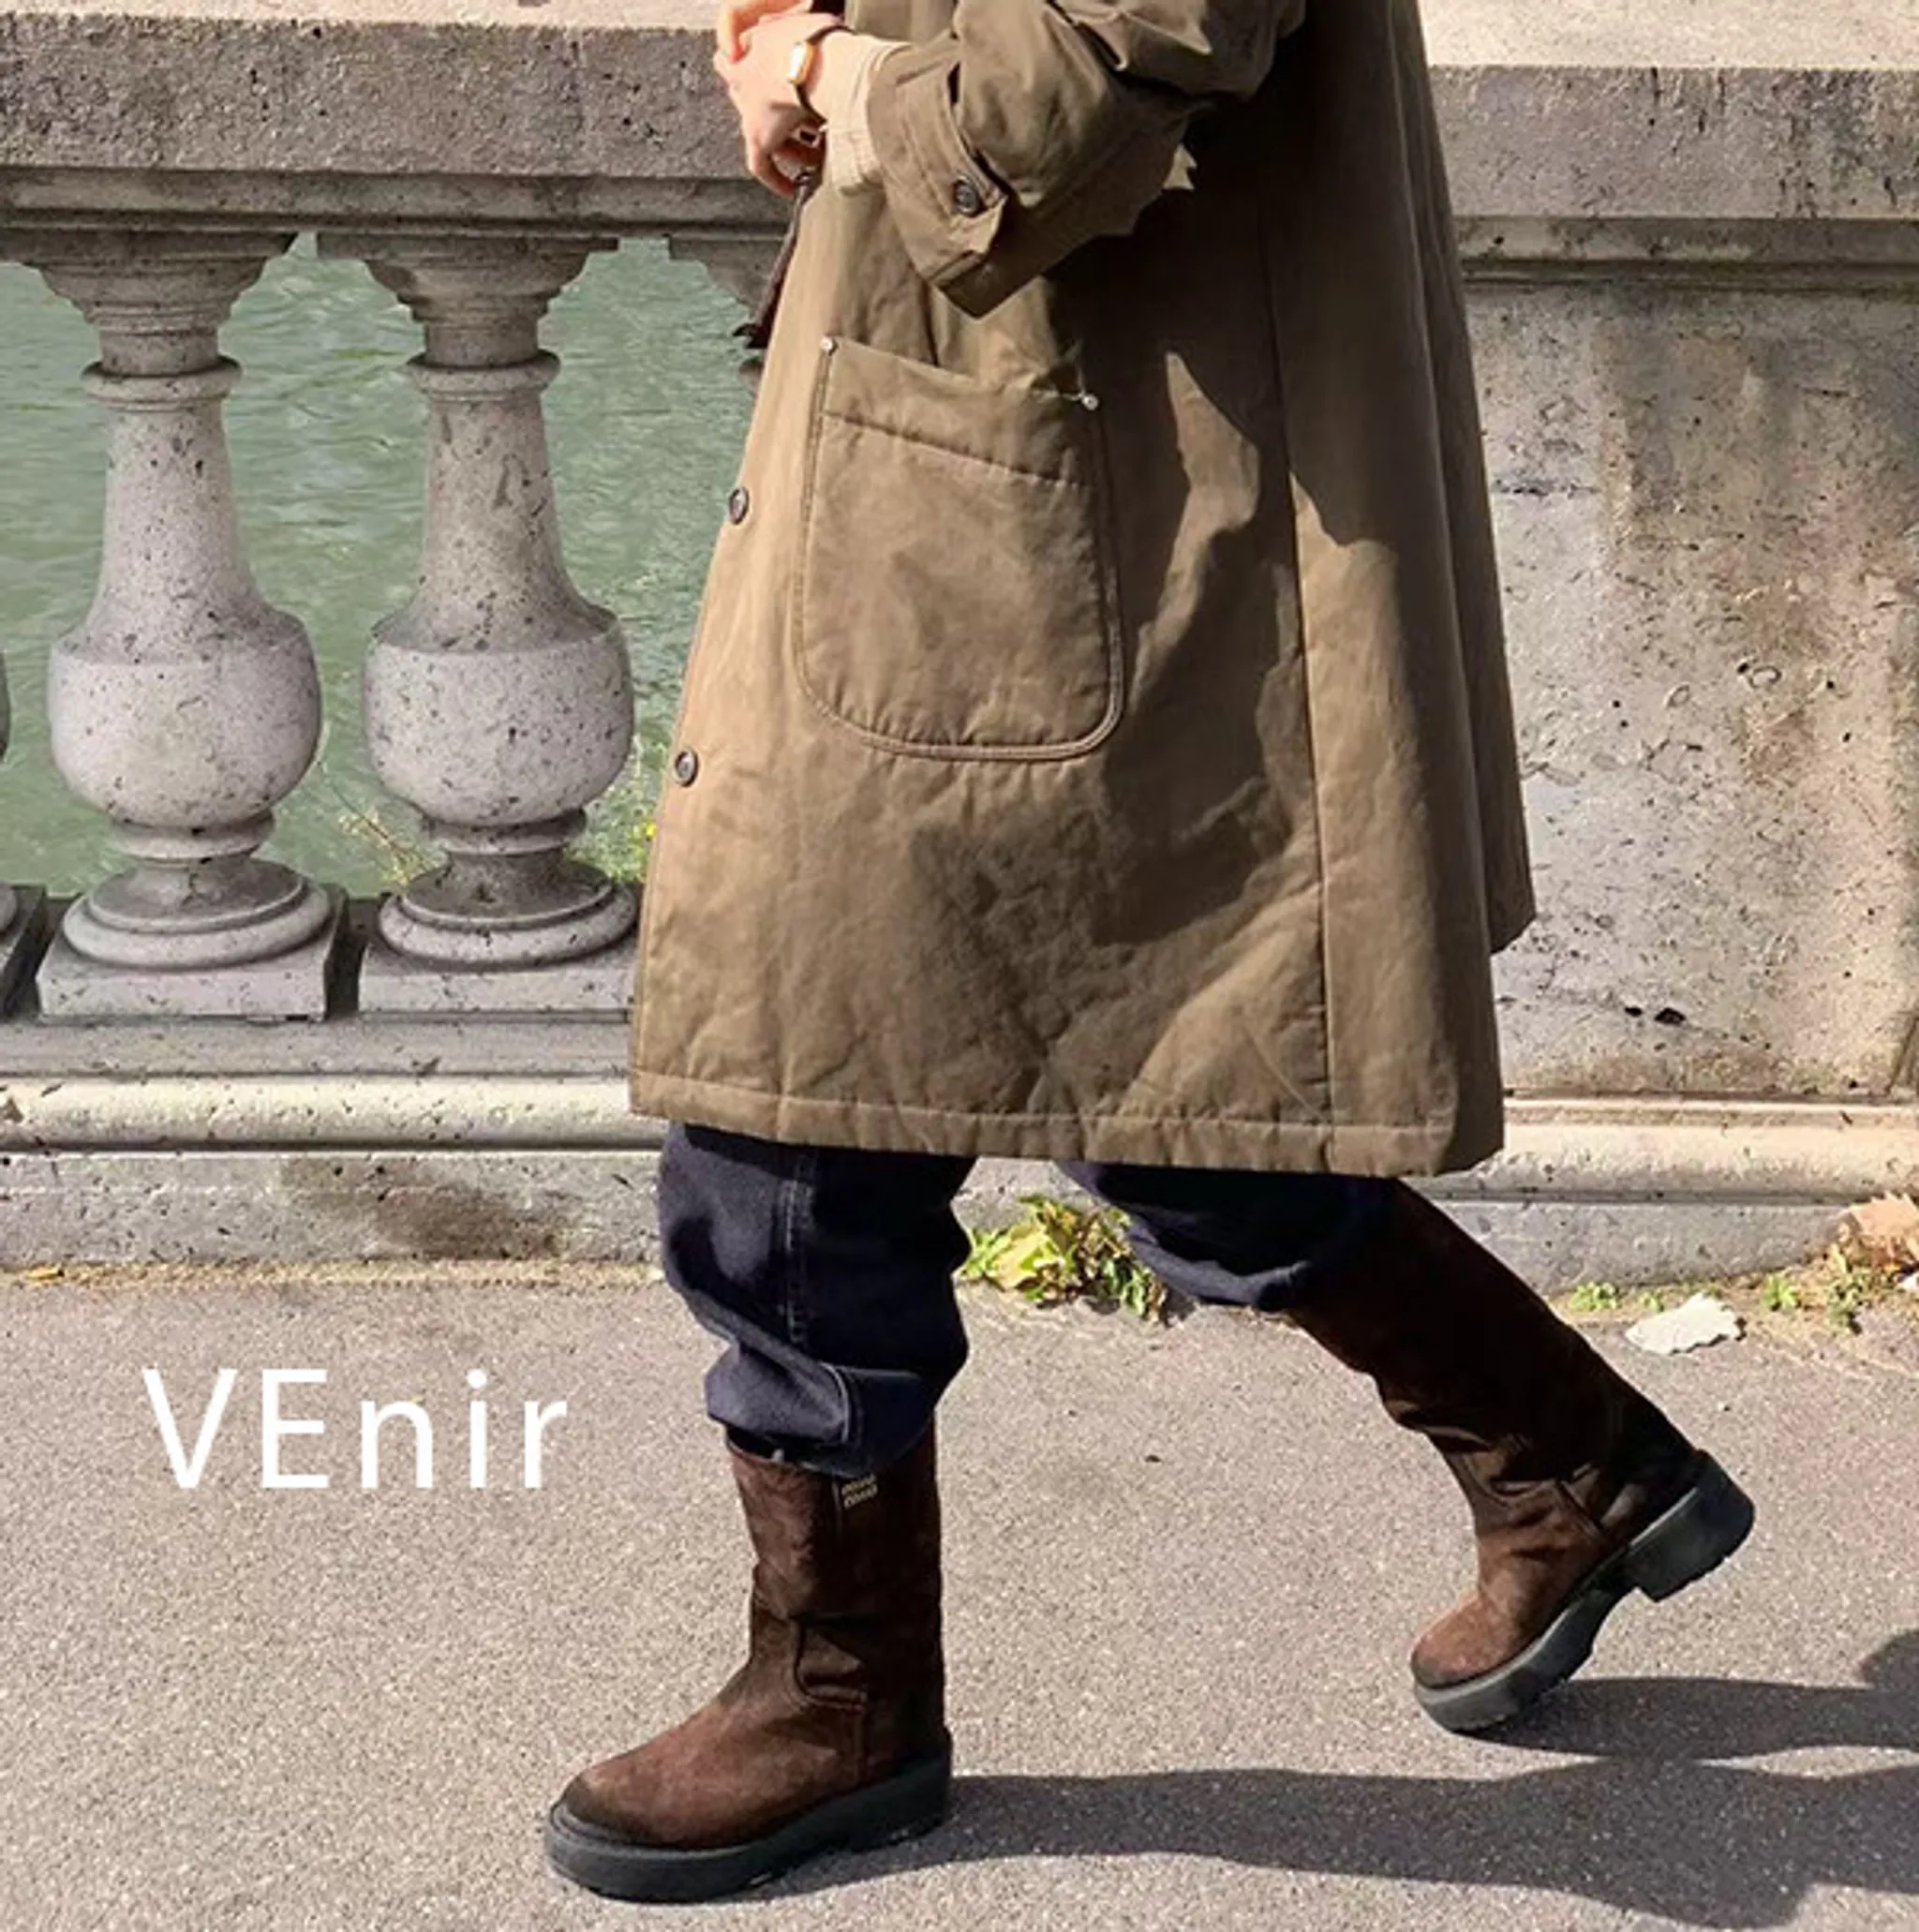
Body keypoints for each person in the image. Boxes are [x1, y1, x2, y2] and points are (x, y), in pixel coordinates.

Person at [543, 0, 1755, 1903]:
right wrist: (804, 38)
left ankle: (841, 1697)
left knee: (802, 1113)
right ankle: (1568, 1461)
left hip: (1090, 476)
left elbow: (1077, 75)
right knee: (1144, 1090)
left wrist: (834, 81)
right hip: (1020, 461)